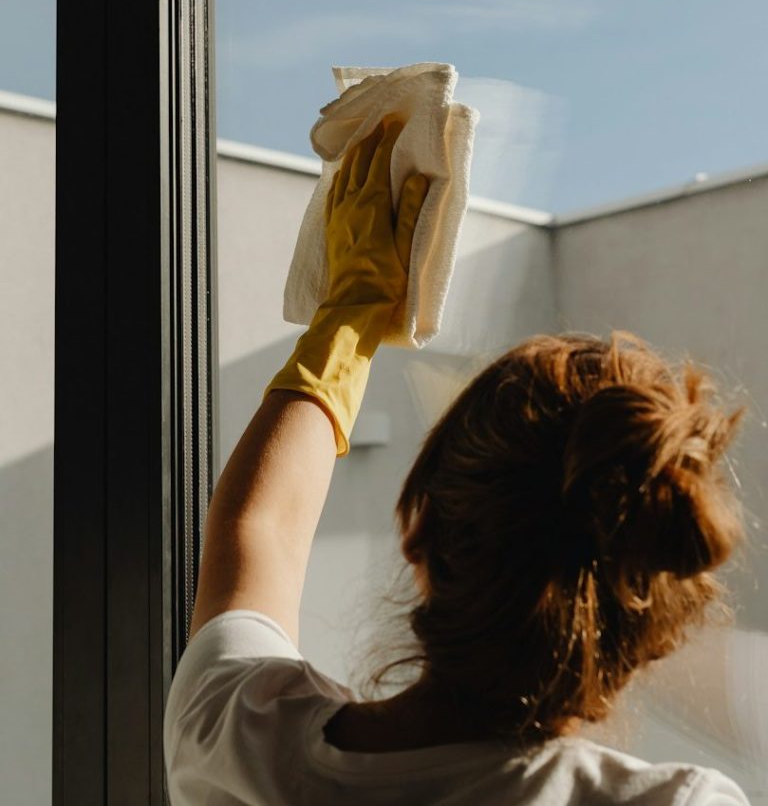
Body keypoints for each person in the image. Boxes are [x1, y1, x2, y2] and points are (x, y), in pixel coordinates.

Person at [163, 120, 751, 804]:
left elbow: (255, 527)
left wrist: (347, 317)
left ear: (417, 526)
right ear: (651, 631)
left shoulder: (239, 743)